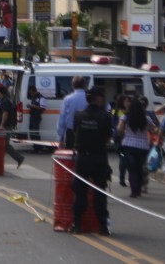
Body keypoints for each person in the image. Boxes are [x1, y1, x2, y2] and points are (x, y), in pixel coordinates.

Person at [70, 86, 112, 236]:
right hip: (99, 158)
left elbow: (75, 132)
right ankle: (102, 226)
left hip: (82, 159)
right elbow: (108, 138)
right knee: (100, 193)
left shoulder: (79, 116)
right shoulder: (105, 117)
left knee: (80, 192)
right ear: (98, 99)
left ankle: (76, 224)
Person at [116, 96, 157, 198]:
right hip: (143, 147)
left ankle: (134, 190)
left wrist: (123, 135)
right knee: (139, 168)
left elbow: (119, 129)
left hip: (128, 145)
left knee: (131, 168)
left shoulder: (125, 117)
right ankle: (138, 189)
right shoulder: (146, 118)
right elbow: (154, 131)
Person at [0, 83, 24, 168]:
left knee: (5, 145)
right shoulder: (3, 100)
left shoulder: (6, 101)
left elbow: (5, 114)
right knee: (0, 144)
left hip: (5, 127)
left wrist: (1, 126)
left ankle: (19, 158)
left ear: (0, 92)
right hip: (2, 126)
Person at [57, 76, 89, 149]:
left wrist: (61, 138)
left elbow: (62, 120)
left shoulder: (68, 99)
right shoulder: (89, 98)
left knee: (70, 156)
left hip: (71, 133)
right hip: (87, 131)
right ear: (84, 85)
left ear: (72, 85)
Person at [27, 84, 46, 151]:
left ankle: (39, 148)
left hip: (37, 117)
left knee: (36, 133)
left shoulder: (41, 98)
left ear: (34, 91)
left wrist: (33, 106)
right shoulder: (33, 97)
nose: (30, 94)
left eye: (31, 92)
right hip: (32, 116)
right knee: (32, 132)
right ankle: (35, 147)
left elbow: (43, 108)